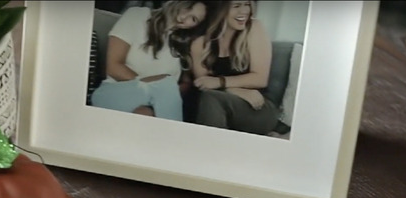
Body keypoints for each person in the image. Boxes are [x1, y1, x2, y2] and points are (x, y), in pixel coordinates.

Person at [90, 1, 209, 121]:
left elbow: (184, 84)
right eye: (187, 8)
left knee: (145, 114)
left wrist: (159, 98)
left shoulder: (182, 44)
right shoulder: (138, 16)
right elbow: (113, 67)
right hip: (112, 93)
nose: (184, 17)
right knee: (166, 83)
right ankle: (175, 136)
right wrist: (154, 87)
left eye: (193, 19)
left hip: (150, 105)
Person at [189, 0, 280, 134]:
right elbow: (203, 85)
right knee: (208, 98)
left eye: (247, 4)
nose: (244, 11)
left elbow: (260, 78)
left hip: (257, 105)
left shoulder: (254, 27)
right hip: (219, 104)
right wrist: (234, 90)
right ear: (220, 10)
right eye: (236, 6)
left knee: (211, 98)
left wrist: (220, 82)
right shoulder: (200, 44)